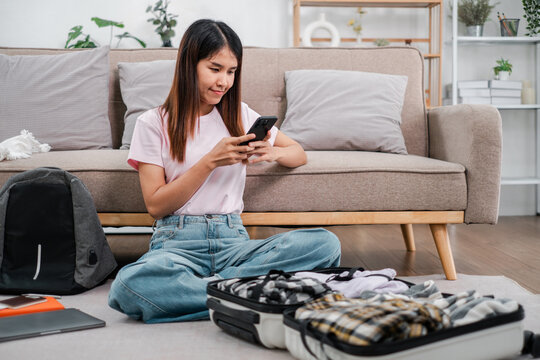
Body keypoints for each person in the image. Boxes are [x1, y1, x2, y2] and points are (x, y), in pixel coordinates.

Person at [108, 19, 341, 323]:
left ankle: (217, 292)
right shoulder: (152, 123)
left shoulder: (241, 114)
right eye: (215, 69)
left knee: (325, 244)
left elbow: (298, 153)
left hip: (234, 242)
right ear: (189, 65)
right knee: (130, 284)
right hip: (177, 245)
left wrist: (274, 152)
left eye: (231, 71)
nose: (224, 81)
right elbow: (156, 205)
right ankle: (244, 291)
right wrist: (209, 162)